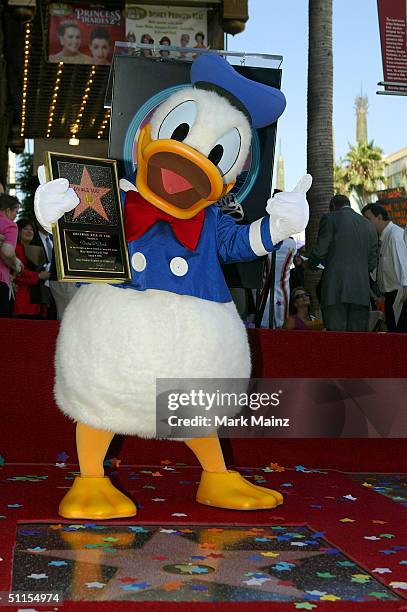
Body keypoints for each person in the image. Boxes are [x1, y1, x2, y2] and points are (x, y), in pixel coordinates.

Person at [308, 194, 378, 332]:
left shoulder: (330, 218)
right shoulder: (368, 225)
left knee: (336, 341)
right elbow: (372, 262)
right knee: (357, 342)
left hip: (335, 290)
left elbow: (321, 250)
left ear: (333, 207)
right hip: (361, 292)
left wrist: (310, 263)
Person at [362, 203, 407, 332]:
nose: (366, 224)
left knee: (399, 334)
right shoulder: (383, 237)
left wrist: (405, 288)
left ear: (379, 217)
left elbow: (403, 262)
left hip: (399, 295)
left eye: (368, 219)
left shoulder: (394, 235)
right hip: (390, 295)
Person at [13, 218, 50, 319]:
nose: (29, 231)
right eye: (25, 229)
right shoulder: (15, 248)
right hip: (23, 298)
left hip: (38, 300)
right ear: (18, 231)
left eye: (32, 229)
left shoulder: (36, 249)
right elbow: (16, 273)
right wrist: (38, 275)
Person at [0, 194, 22, 317]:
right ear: (8, 211)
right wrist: (16, 264)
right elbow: (7, 252)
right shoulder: (10, 225)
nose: (15, 216)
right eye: (16, 212)